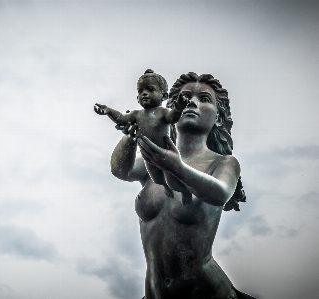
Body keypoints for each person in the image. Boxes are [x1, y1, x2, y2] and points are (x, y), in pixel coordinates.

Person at [110, 72, 252, 299]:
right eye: (184, 97)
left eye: (204, 99)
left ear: (217, 117)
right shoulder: (153, 159)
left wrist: (178, 168)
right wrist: (130, 136)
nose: (192, 102)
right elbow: (121, 170)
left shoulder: (222, 163)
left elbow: (221, 193)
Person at [94, 69, 188, 189]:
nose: (144, 93)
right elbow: (122, 119)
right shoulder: (136, 115)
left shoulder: (163, 112)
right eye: (140, 91)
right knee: (156, 179)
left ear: (164, 96)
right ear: (137, 99)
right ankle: (164, 186)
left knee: (172, 178)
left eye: (150, 89)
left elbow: (172, 118)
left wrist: (178, 108)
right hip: (147, 156)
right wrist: (108, 111)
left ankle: (183, 192)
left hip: (165, 154)